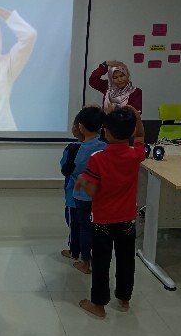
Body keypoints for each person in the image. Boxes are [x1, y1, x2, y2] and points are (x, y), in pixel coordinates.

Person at [74, 106, 146, 318]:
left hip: (103, 220)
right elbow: (140, 136)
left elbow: (92, 191)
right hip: (127, 220)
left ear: (106, 131)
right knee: (126, 260)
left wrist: (82, 180)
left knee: (101, 262)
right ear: (130, 131)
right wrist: (137, 117)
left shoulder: (97, 158)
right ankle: (124, 297)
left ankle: (98, 304)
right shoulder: (136, 154)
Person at [70, 106, 107, 274]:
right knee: (100, 229)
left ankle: (86, 263)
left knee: (85, 228)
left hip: (83, 196)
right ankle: (100, 261)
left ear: (81, 127)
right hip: (101, 196)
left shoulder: (78, 149)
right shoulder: (106, 147)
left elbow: (73, 171)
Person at [60, 117, 83, 260]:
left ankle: (74, 251)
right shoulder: (102, 145)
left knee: (73, 223)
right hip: (94, 196)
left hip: (74, 197)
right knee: (87, 224)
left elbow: (65, 168)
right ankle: (87, 251)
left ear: (76, 128)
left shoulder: (72, 149)